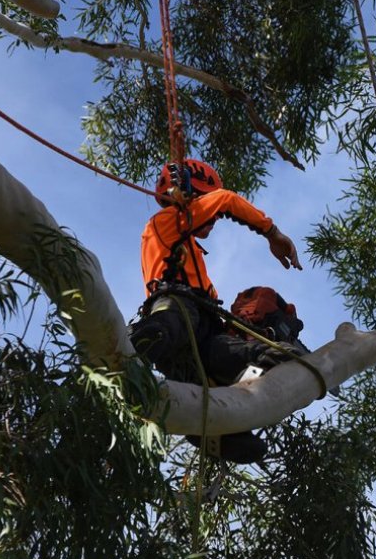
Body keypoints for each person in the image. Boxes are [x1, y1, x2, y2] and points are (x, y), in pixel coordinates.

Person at [129, 158, 303, 463]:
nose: (214, 218)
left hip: (202, 333)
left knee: (239, 354)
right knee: (168, 323)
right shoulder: (167, 222)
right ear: (192, 194)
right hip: (178, 309)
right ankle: (135, 348)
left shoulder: (187, 245)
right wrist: (272, 232)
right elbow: (226, 200)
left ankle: (220, 429)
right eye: (205, 203)